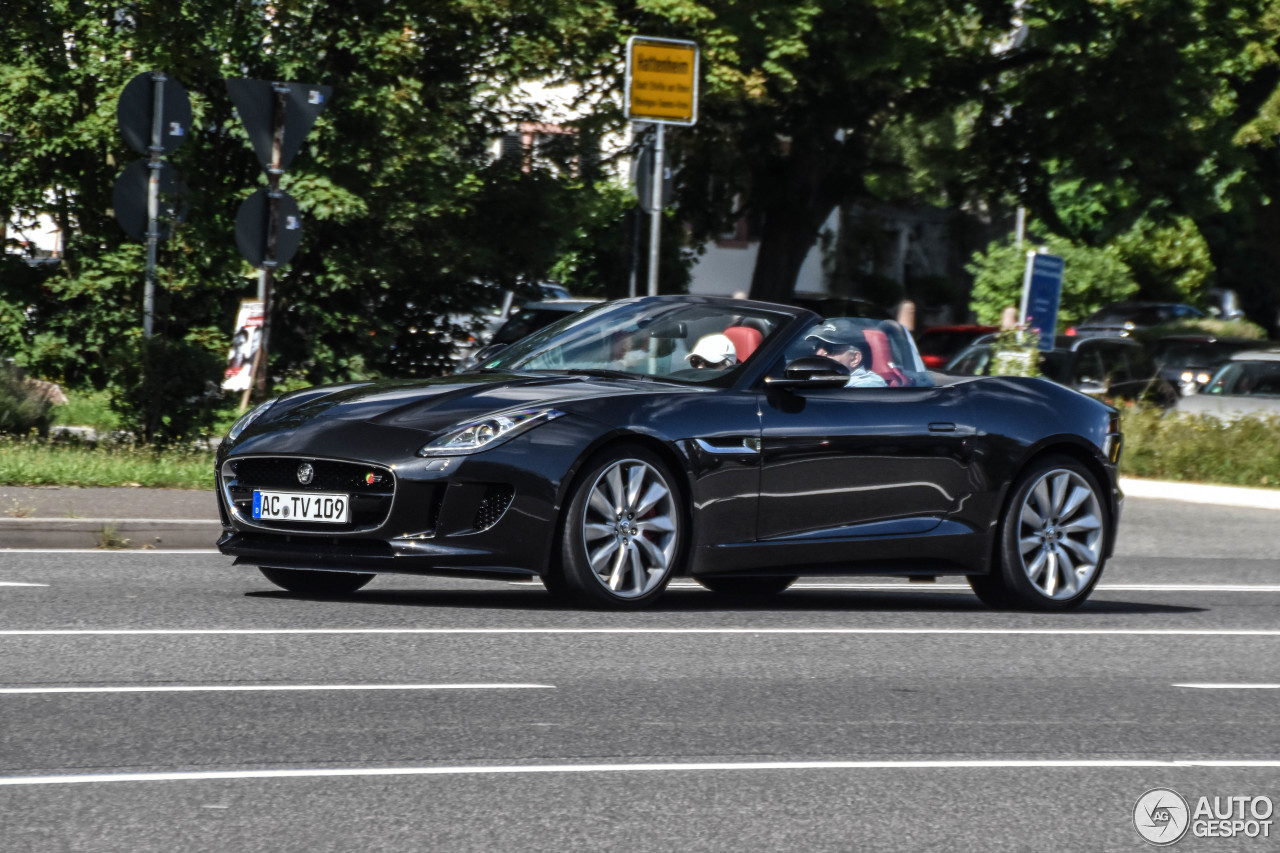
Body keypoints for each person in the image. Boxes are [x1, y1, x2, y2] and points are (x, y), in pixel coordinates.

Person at [805, 319, 887, 387]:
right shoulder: (820, 377)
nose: (818, 354)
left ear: (855, 358)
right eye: (817, 347)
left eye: (829, 348)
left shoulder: (868, 385)